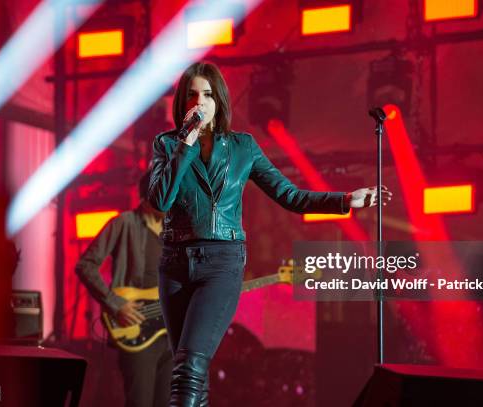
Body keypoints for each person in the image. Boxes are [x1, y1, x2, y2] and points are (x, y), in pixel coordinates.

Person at [148, 61, 392, 407]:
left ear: (219, 101)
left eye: (205, 95)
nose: (198, 102)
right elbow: (159, 200)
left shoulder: (242, 147)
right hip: (174, 265)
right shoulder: (166, 145)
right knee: (191, 371)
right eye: (191, 96)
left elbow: (289, 195)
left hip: (220, 264)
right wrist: (185, 144)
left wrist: (344, 200)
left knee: (188, 367)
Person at [76, 171, 173, 407]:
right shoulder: (124, 223)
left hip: (170, 334)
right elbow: (86, 265)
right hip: (136, 329)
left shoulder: (175, 234)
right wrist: (116, 304)